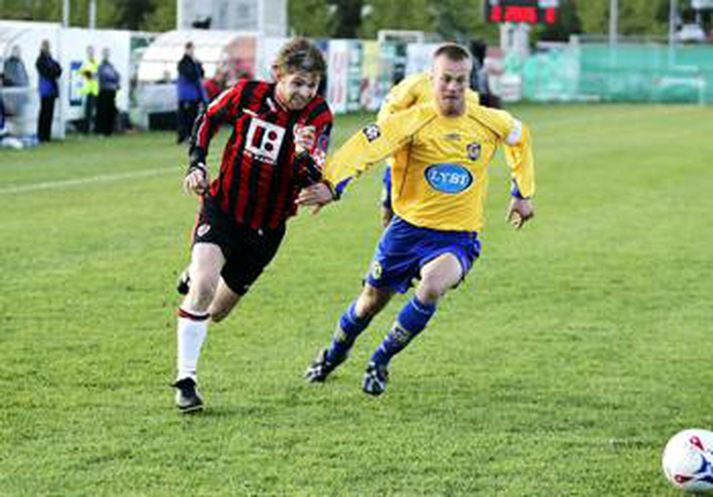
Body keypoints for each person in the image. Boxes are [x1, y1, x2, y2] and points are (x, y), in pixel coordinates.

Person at [299, 43, 535, 396]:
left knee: (432, 286)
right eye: (445, 79)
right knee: (368, 304)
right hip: (406, 231)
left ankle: (380, 360)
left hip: (457, 238)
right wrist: (332, 185)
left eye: (460, 80)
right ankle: (333, 354)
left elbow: (520, 137)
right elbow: (366, 145)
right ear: (432, 78)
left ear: (469, 80)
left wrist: (522, 193)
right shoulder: (412, 120)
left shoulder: (488, 120)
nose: (453, 87)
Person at [172, 38, 333, 413]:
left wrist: (304, 154)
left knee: (217, 311)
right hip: (224, 208)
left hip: (268, 227)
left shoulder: (319, 117)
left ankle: (196, 273)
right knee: (203, 289)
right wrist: (197, 162)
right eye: (297, 83)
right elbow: (208, 117)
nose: (304, 92)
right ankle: (186, 381)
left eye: (312, 85)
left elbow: (312, 177)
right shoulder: (248, 94)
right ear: (278, 74)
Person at [377, 71, 481, 227]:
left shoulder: (470, 97)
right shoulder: (416, 84)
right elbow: (388, 112)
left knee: (433, 218)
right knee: (389, 214)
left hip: (438, 166)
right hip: (401, 163)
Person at [176, 42, 206, 144]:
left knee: (193, 116)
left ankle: (190, 136)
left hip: (194, 94)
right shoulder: (183, 63)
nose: (192, 51)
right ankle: (184, 137)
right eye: (190, 49)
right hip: (186, 95)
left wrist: (198, 64)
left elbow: (201, 74)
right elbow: (191, 75)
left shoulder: (195, 62)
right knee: (185, 117)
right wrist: (195, 64)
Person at [35, 40, 62, 143]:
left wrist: (53, 71)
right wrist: (53, 71)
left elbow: (59, 70)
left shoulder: (50, 59)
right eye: (45, 46)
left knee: (50, 113)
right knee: (44, 113)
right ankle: (41, 135)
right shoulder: (40, 60)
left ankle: (47, 135)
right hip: (45, 90)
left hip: (52, 90)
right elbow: (47, 72)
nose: (46, 48)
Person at [96, 48, 120, 136]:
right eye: (105, 53)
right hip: (104, 90)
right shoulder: (101, 66)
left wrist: (115, 81)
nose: (106, 55)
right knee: (103, 111)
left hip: (112, 91)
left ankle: (109, 130)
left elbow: (117, 76)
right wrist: (112, 79)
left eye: (108, 53)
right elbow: (103, 76)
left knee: (111, 111)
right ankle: (102, 130)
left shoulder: (111, 66)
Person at [79, 45, 98, 133]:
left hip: (96, 90)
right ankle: (86, 129)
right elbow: (83, 72)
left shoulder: (96, 62)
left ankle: (94, 128)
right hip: (88, 90)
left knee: (96, 110)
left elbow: (99, 74)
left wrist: (94, 75)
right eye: (89, 51)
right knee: (88, 111)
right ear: (87, 53)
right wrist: (91, 75)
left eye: (92, 51)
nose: (91, 53)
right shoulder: (85, 63)